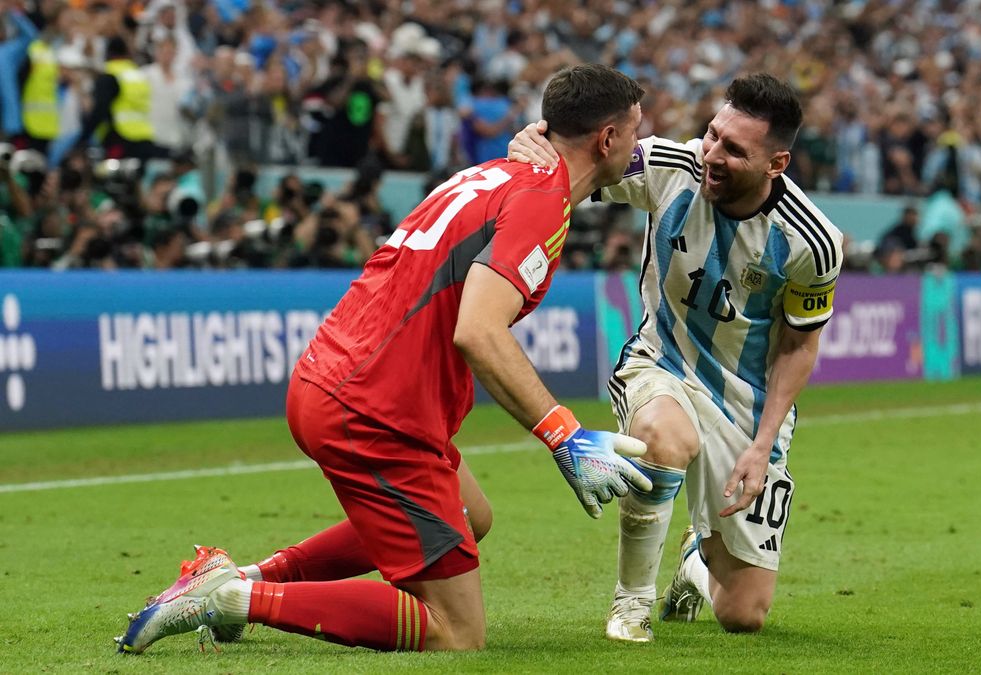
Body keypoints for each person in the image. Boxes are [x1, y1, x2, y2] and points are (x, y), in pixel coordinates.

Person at [115, 63, 652, 654]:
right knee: (456, 632)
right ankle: (228, 599)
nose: (639, 144)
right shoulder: (541, 200)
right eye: (634, 130)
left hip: (334, 378)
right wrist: (566, 436)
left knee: (471, 515)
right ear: (607, 139)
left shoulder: (494, 174)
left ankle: (244, 579)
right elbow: (478, 330)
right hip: (374, 408)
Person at [508, 73, 844, 641]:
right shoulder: (670, 166)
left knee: (743, 614)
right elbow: (583, 160)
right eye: (711, 135)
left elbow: (799, 344)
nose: (711, 154)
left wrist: (762, 446)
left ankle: (694, 557)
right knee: (665, 440)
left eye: (734, 150)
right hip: (658, 363)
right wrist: (533, 145)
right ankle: (631, 604)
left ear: (776, 164)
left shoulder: (812, 241)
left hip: (746, 404)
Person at [72, 37, 162, 161]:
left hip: (120, 136)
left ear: (108, 54)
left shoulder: (110, 74)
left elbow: (101, 108)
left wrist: (84, 137)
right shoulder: (139, 75)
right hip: (144, 135)